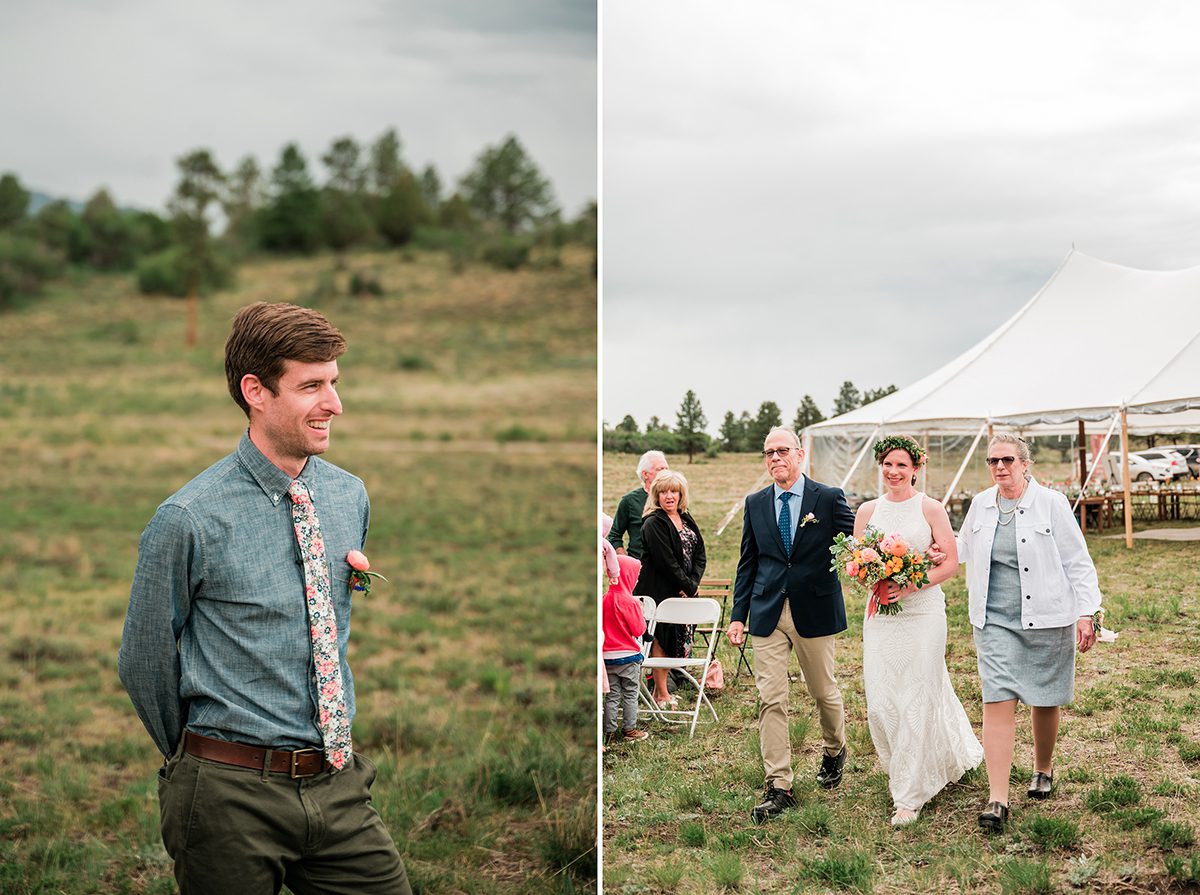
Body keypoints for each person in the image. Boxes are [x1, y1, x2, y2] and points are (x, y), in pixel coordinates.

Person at [118, 302, 411, 894]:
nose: (334, 404)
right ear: (256, 390)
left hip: (338, 786)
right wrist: (205, 763)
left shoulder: (348, 495)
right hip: (228, 799)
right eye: (311, 386)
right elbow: (144, 660)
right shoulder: (188, 518)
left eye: (334, 383)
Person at [957, 433, 1101, 834]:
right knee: (997, 699)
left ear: (1025, 464)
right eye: (992, 461)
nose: (1000, 467)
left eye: (1007, 460)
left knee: (1044, 696)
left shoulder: (1051, 504)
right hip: (994, 619)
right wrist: (933, 550)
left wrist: (1087, 612)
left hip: (1048, 616)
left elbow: (1077, 560)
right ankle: (998, 799)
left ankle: (1042, 768)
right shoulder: (980, 505)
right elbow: (962, 547)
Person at [728, 426, 855, 823]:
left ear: (800, 455)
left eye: (782, 450)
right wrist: (737, 615)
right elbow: (748, 562)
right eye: (768, 452)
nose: (774, 458)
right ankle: (779, 784)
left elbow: (856, 543)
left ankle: (835, 750)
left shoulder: (828, 498)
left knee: (824, 692)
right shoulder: (755, 503)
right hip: (767, 612)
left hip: (813, 609)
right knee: (771, 698)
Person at [855, 435, 983, 826]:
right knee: (880, 702)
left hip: (923, 612)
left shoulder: (930, 508)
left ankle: (909, 795)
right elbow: (858, 562)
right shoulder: (866, 511)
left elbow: (949, 564)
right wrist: (873, 580)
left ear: (915, 468)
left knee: (918, 697)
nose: (894, 472)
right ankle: (919, 762)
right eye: (888, 465)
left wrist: (908, 584)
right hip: (881, 616)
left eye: (902, 466)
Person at [633, 469, 706, 709]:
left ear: (681, 494)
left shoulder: (686, 518)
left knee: (675, 639)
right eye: (663, 492)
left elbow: (700, 555)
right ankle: (661, 693)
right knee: (661, 640)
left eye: (674, 491)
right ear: (656, 495)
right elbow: (666, 562)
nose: (669, 496)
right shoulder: (653, 522)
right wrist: (686, 586)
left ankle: (662, 691)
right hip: (659, 591)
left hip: (683, 590)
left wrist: (692, 585)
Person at [603, 553, 650, 744]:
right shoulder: (629, 601)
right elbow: (638, 629)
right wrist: (640, 612)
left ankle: (610, 732)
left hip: (607, 657)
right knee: (631, 692)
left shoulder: (604, 599)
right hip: (628, 656)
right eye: (635, 575)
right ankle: (630, 729)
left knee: (612, 695)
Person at [608, 450, 669, 558]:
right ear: (645, 474)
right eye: (660, 469)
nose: (665, 473)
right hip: (640, 566)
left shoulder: (674, 498)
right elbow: (614, 535)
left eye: (666, 469)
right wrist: (626, 561)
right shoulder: (629, 501)